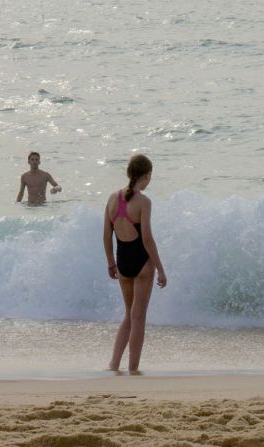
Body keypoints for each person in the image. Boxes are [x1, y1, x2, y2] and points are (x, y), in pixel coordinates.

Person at [104, 153, 167, 373]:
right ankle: (133, 368)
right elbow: (147, 239)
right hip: (142, 265)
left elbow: (106, 236)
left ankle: (113, 365)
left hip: (122, 263)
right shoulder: (144, 202)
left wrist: (111, 263)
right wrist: (160, 268)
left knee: (128, 315)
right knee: (138, 317)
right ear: (147, 175)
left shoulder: (112, 199)